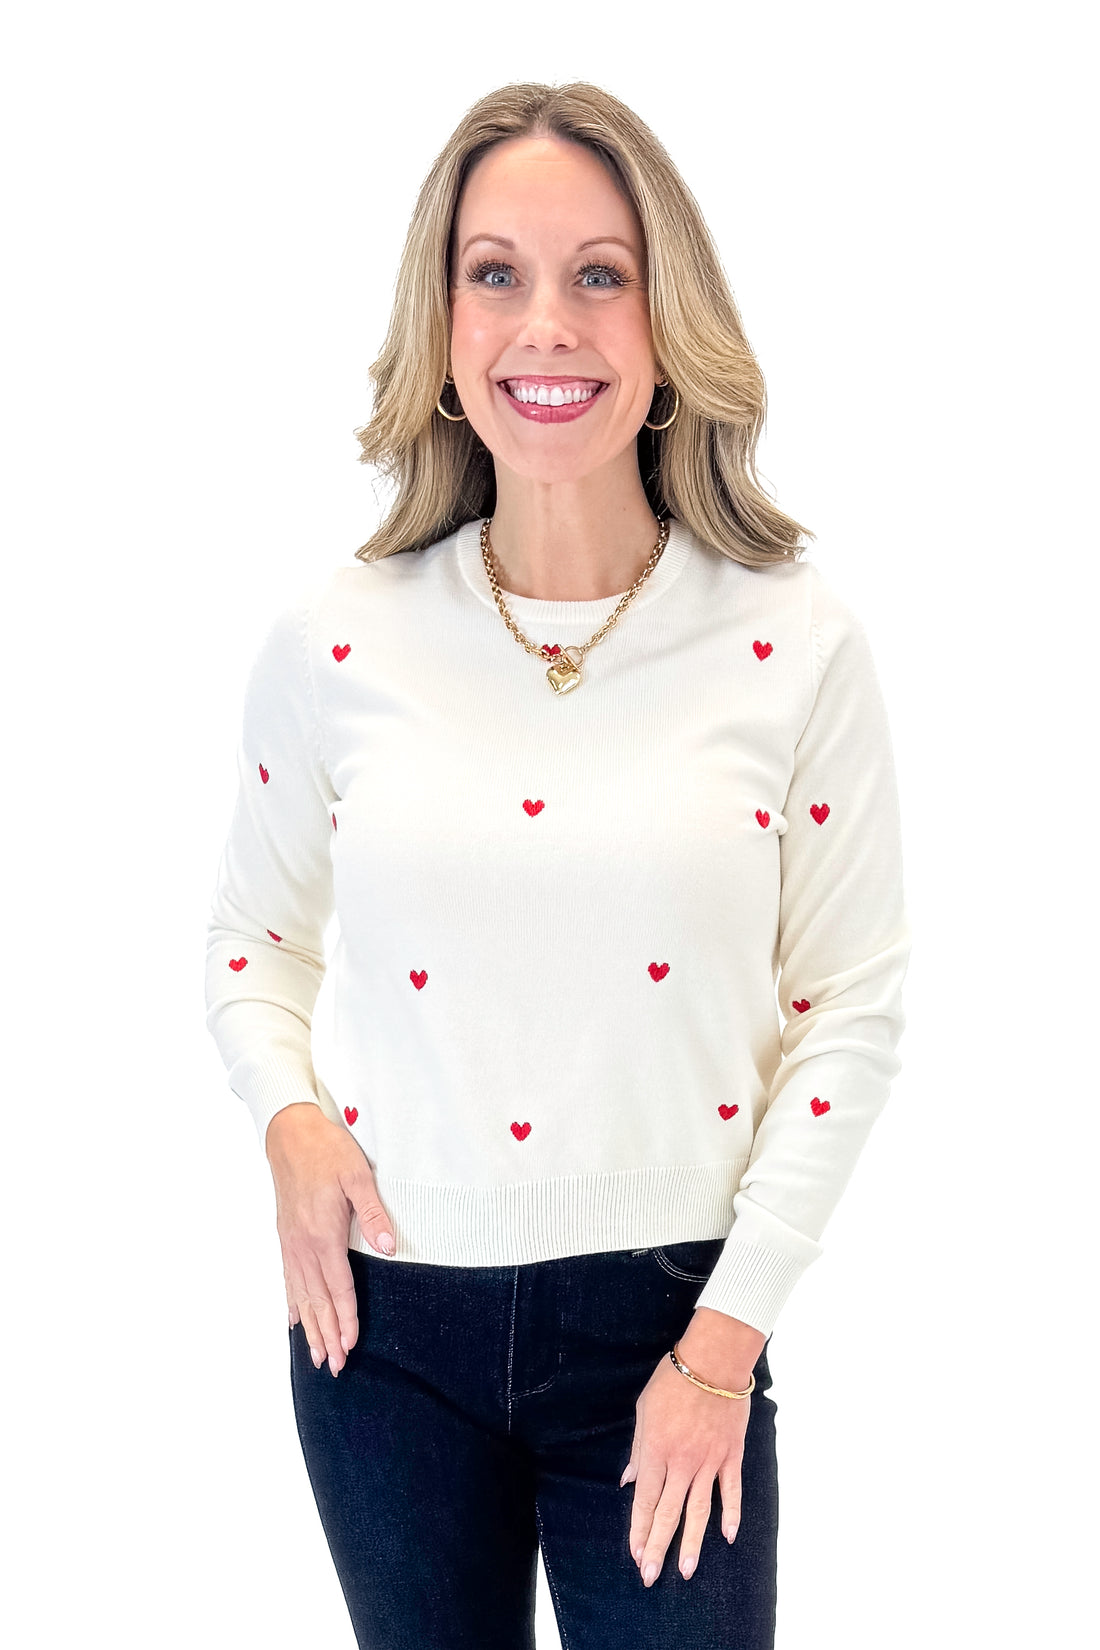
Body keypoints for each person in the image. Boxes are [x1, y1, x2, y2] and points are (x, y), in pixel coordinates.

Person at [204, 79, 911, 1650]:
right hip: (385, 1335)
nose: (549, 324)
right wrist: (293, 1124)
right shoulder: (337, 637)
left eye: (600, 272)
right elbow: (253, 940)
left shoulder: (793, 639)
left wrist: (723, 1346)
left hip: (669, 1329)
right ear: (442, 321)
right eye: (496, 273)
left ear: (668, 316)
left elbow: (852, 1011)